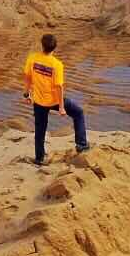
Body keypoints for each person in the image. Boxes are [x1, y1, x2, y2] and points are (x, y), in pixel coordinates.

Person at [22, 33, 88, 165]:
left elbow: (27, 77)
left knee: (40, 130)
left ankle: (39, 158)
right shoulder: (57, 64)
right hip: (54, 100)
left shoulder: (32, 58)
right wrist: (62, 107)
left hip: (39, 101)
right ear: (54, 48)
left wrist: (27, 94)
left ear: (42, 46)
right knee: (78, 113)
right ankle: (81, 144)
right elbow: (59, 87)